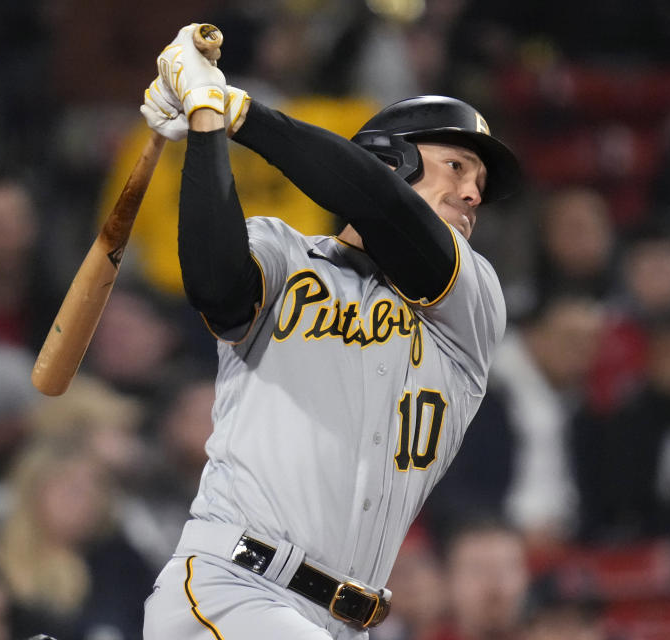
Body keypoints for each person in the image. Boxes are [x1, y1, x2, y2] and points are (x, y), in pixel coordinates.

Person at [137, 23, 521, 640]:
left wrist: (239, 110)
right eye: (457, 166)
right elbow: (216, 288)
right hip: (234, 586)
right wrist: (208, 123)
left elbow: (389, 209)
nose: (474, 193)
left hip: (348, 621)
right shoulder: (285, 254)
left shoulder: (472, 304)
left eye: (479, 182)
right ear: (391, 158)